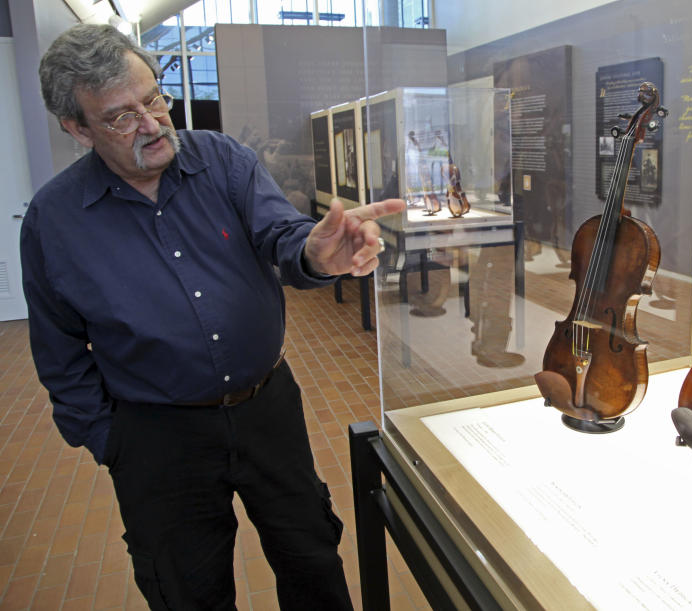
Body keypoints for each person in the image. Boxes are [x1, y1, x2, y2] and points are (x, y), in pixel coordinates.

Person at [20, 24, 404, 610]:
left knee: (311, 559)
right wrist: (112, 441)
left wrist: (315, 253)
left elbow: (284, 237)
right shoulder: (54, 220)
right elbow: (59, 350)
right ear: (77, 128)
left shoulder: (222, 161)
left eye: (153, 99)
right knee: (187, 588)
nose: (151, 124)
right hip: (157, 436)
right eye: (122, 117)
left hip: (268, 410)